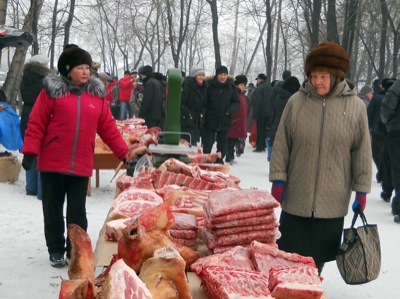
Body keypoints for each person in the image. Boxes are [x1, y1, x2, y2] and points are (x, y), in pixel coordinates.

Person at [21, 47, 131, 267]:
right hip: (52, 162)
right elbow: (37, 123)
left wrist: (124, 154)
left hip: (80, 163)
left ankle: (75, 249)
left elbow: (108, 128)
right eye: (80, 68)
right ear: (68, 70)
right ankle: (55, 249)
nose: (85, 72)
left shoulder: (97, 97)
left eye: (87, 68)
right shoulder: (52, 93)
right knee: (52, 210)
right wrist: (30, 151)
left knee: (77, 212)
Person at [269, 41, 372, 275]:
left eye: (323, 76)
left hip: (332, 201)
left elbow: (362, 151)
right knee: (288, 254)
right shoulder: (297, 102)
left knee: (317, 260)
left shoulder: (355, 107)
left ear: (336, 76)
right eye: (313, 75)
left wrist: (362, 190)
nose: (317, 81)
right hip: (297, 195)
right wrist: (278, 178)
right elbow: (282, 143)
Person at [20, 54, 53, 200]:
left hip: (26, 114)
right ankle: (42, 190)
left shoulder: (24, 79)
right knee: (42, 152)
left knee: (30, 150)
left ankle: (31, 187)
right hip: (41, 115)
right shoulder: (45, 81)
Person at [202, 65, 239, 164]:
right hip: (211, 119)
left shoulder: (231, 87)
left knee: (222, 143)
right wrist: (205, 113)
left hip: (225, 120)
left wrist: (229, 111)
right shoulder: (209, 86)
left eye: (224, 75)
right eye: (220, 75)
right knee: (208, 143)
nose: (222, 77)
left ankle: (219, 160)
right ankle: (206, 160)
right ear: (217, 75)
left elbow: (236, 102)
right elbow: (204, 102)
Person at [380, 79, 400, 223]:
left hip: (397, 131)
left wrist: (387, 123)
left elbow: (387, 106)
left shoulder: (398, 85)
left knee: (397, 168)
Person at [269, 76, 300, 147]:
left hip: (276, 129)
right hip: (290, 133)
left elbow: (273, 114)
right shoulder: (295, 99)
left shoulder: (279, 96)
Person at [180, 65, 206, 145]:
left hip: (197, 120)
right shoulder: (188, 86)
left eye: (202, 75)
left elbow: (204, 103)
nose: (201, 77)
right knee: (188, 143)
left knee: (193, 142)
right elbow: (182, 103)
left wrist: (202, 112)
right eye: (199, 75)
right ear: (194, 76)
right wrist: (190, 114)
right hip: (187, 120)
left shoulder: (203, 87)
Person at [367, 79, 387, 184]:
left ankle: (382, 174)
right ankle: (384, 175)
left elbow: (369, 114)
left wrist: (367, 128)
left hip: (377, 130)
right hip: (388, 131)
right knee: (385, 154)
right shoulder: (389, 97)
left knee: (376, 153)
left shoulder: (376, 98)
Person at [225, 75, 248, 164]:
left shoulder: (242, 95)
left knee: (235, 140)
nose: (243, 87)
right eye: (241, 85)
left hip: (240, 121)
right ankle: (228, 156)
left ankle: (232, 156)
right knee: (230, 140)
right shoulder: (234, 94)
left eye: (244, 85)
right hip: (234, 121)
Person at [251, 73, 274, 152]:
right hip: (269, 113)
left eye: (257, 79)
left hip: (261, 113)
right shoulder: (270, 88)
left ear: (259, 80)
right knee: (266, 130)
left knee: (260, 130)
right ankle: (264, 145)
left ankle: (260, 147)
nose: (257, 81)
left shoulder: (259, 89)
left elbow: (257, 102)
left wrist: (255, 114)